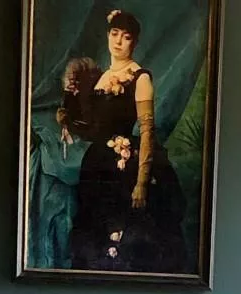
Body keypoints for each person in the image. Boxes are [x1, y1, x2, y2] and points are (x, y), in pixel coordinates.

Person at [59, 9, 187, 274]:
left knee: (128, 237)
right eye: (114, 34)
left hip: (125, 167)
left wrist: (141, 182)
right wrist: (68, 118)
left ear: (135, 42)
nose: (118, 41)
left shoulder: (140, 78)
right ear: (107, 35)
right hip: (96, 167)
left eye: (126, 37)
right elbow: (95, 130)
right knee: (94, 232)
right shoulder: (101, 78)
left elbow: (148, 132)